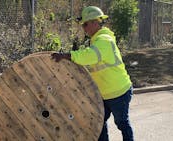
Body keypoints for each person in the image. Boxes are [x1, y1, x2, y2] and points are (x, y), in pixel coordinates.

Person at [51, 6, 134, 141]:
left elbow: (89, 56)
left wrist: (67, 55)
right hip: (103, 94)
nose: (84, 28)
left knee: (121, 123)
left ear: (96, 22)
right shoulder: (96, 40)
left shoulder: (104, 41)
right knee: (98, 123)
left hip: (118, 92)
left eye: (85, 24)